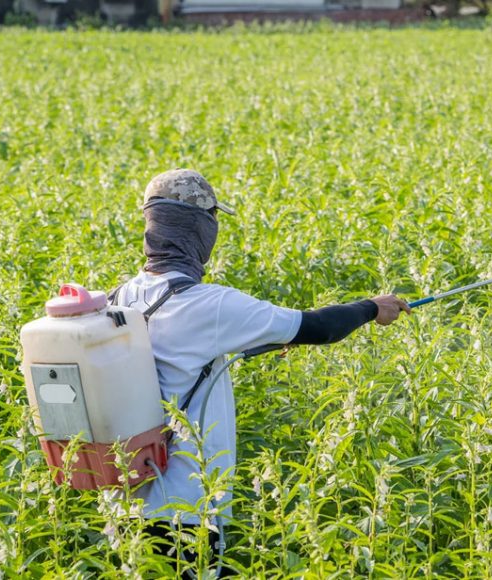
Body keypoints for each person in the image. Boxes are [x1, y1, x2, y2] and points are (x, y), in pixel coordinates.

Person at [110, 169, 409, 569]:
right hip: (185, 507)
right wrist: (372, 307)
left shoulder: (118, 297)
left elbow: (179, 351)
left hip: (122, 504)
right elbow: (318, 327)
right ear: (200, 229)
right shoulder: (209, 304)